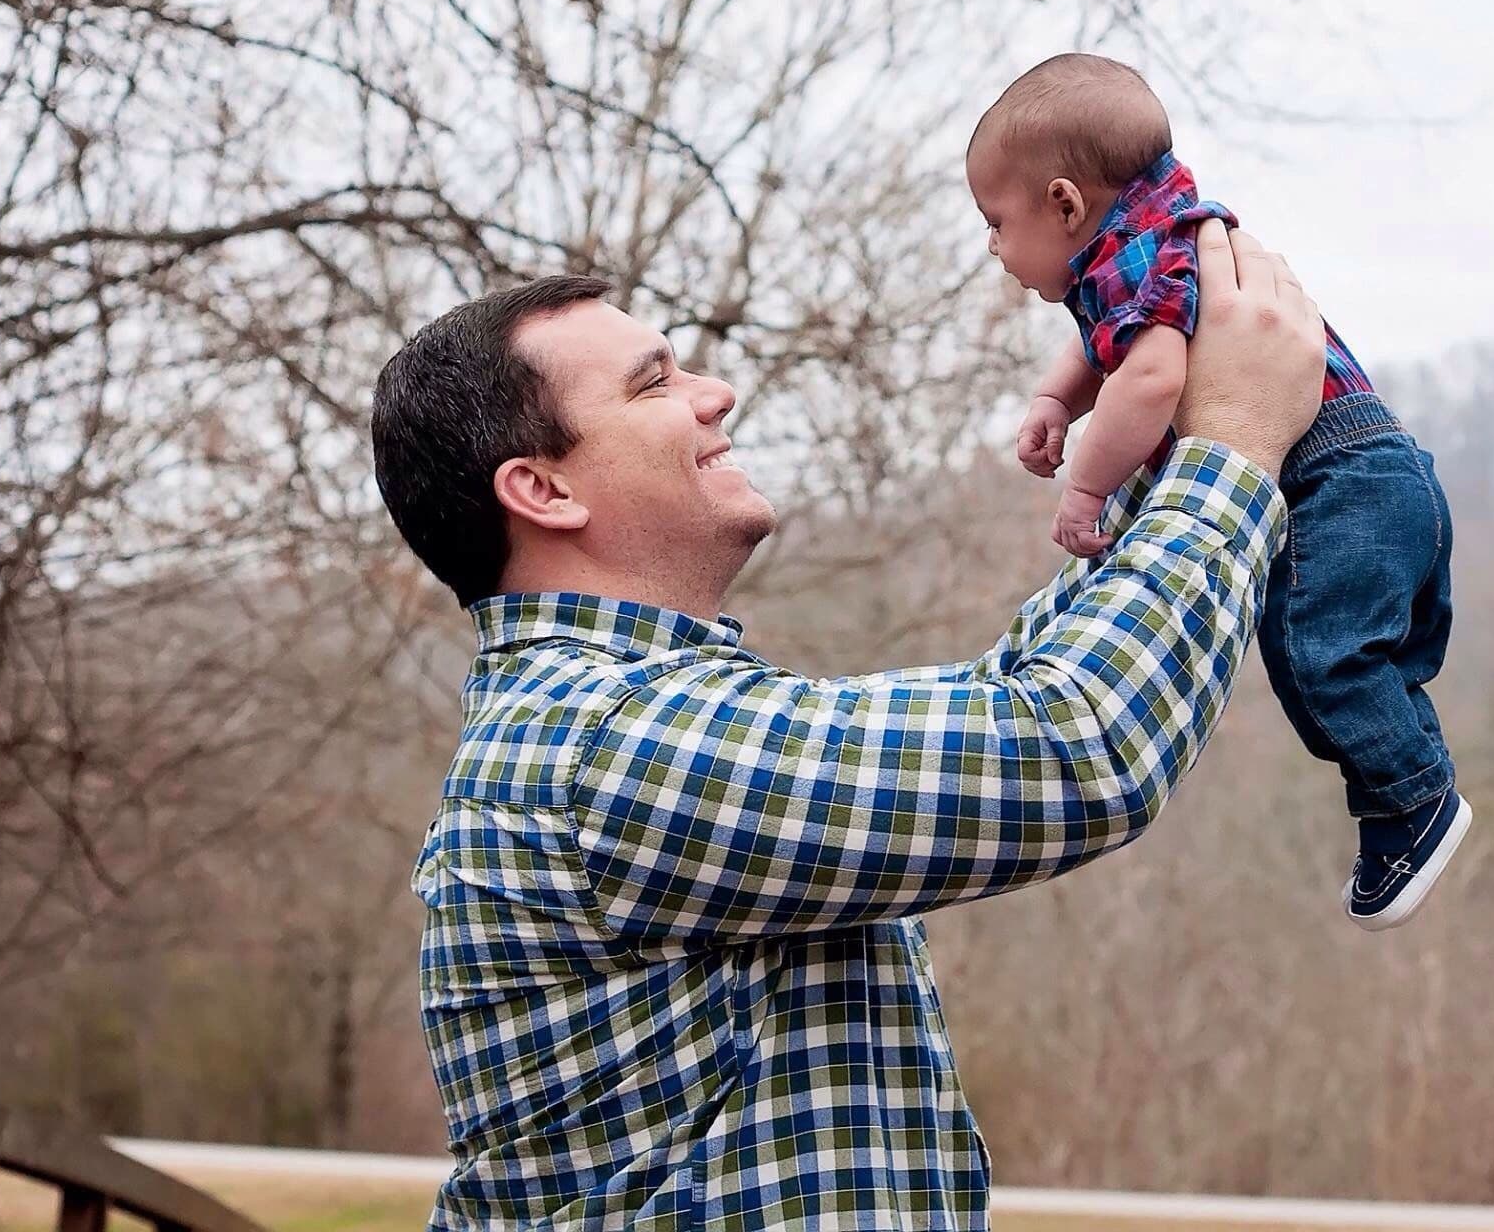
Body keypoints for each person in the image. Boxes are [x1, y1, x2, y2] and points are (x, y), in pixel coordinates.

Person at [369, 219, 1321, 1229]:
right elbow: (1066, 744)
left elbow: (1013, 695)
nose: (714, 392)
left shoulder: (623, 721)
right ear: (542, 490)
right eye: (654, 385)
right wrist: (1231, 447)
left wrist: (1156, 442)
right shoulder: (598, 744)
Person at [969, 53, 1469, 931]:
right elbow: (1107, 344)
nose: (993, 248)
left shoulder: (1131, 265)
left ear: (1064, 204)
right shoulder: (1159, 237)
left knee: (1317, 659)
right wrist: (1055, 398)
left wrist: (1086, 489)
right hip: (1385, 472)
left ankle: (1411, 802)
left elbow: (1151, 375)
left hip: (1332, 485)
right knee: (1368, 661)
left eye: (996, 223)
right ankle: (1412, 781)